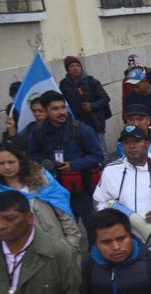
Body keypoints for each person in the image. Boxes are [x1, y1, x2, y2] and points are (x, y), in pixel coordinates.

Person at [94, 126, 151, 255]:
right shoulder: (110, 171)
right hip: (124, 248)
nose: (132, 146)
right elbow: (100, 202)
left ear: (147, 143)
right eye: (127, 142)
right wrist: (113, 218)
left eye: (137, 141)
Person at [28, 90, 105, 222]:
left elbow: (97, 155)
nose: (61, 112)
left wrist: (73, 165)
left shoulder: (81, 129)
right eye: (55, 109)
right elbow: (33, 154)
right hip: (53, 188)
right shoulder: (37, 131)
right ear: (46, 111)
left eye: (63, 107)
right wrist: (44, 163)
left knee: (91, 223)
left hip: (80, 187)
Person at [0, 143, 82, 253]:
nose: (7, 167)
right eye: (1, 163)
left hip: (58, 247)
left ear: (20, 160)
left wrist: (71, 244)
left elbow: (63, 212)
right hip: (21, 254)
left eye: (11, 162)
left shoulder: (41, 180)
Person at [59, 56, 111, 150]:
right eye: (72, 66)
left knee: (101, 150)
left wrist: (92, 105)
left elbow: (105, 98)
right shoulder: (64, 84)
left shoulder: (91, 81)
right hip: (76, 124)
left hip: (94, 121)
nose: (75, 68)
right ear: (67, 69)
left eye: (78, 65)